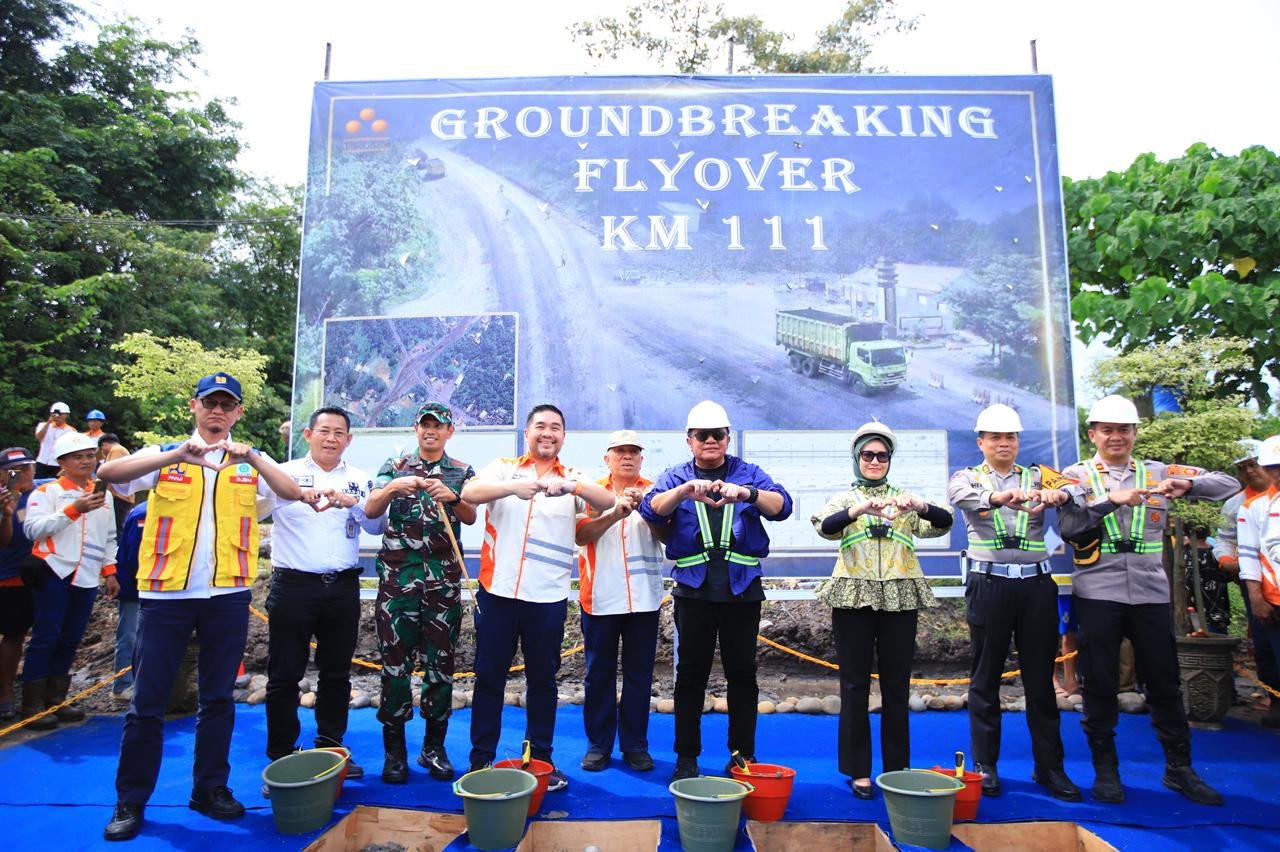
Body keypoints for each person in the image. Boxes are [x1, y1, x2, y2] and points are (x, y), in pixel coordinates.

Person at [95, 371, 302, 842]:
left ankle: (209, 787)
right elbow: (108, 475)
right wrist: (178, 454)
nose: (218, 411)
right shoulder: (166, 455)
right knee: (148, 702)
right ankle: (131, 798)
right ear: (194, 406)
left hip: (227, 595)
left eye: (228, 405)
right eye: (210, 402)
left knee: (217, 698)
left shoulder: (248, 463)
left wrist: (252, 455)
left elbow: (289, 492)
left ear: (238, 413)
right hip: (166, 596)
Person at [1058, 394, 1239, 807]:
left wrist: (1188, 485)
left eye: (1124, 429)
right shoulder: (1076, 475)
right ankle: (1106, 771)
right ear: (1093, 435)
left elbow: (1228, 484)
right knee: (1099, 681)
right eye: (1107, 430)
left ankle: (1180, 768)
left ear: (1135, 433)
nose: (1116, 437)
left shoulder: (1157, 471)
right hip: (1098, 588)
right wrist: (1109, 500)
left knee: (1163, 679)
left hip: (1151, 590)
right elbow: (1070, 526)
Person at [460, 404, 615, 791]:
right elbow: (470, 492)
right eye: (541, 426)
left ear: (564, 436)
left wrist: (572, 488)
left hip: (547, 597)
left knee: (543, 680)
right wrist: (513, 487)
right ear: (527, 432)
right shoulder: (503, 467)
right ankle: (481, 760)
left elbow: (607, 501)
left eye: (556, 428)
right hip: (497, 593)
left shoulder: (573, 477)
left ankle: (540, 759)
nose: (548, 433)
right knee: (489, 677)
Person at [639, 401, 792, 784]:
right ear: (689, 441)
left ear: (727, 438)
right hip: (694, 592)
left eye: (717, 435)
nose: (710, 441)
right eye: (702, 435)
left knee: (743, 675)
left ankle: (743, 755)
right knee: (690, 676)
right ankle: (686, 758)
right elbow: (651, 509)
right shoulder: (676, 476)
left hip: (742, 590)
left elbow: (782, 506)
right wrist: (685, 492)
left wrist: (749, 494)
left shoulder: (748, 473)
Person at [811, 420, 951, 799]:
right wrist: (859, 509)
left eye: (882, 455)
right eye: (868, 455)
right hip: (853, 596)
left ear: (890, 459)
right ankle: (858, 770)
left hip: (899, 596)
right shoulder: (844, 499)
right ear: (857, 458)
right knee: (854, 684)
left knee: (896, 685)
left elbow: (943, 524)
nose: (875, 461)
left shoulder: (904, 499)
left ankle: (896, 767)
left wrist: (921, 505)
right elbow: (826, 527)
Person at [946, 404, 1079, 801]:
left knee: (1040, 679)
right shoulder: (967, 477)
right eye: (996, 437)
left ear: (1018, 441)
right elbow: (959, 496)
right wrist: (998, 496)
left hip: (1037, 586)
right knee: (985, 677)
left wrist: (1063, 492)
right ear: (981, 442)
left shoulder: (1039, 474)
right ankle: (985, 765)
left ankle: (1050, 767)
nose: (1004, 443)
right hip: (990, 584)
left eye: (1011, 437)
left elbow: (1080, 488)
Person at [264, 407, 384, 786]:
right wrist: (300, 494)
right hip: (294, 586)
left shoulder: (360, 480)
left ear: (349, 439)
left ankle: (331, 748)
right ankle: (281, 757)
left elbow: (377, 526)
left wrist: (355, 504)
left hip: (343, 587)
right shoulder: (283, 474)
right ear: (308, 434)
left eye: (339, 433)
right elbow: (256, 509)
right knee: (284, 675)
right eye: (324, 431)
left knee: (336, 673)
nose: (331, 438)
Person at [363, 402, 476, 784]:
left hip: (442, 586)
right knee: (395, 668)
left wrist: (453, 497)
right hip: (397, 586)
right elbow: (370, 509)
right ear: (416, 429)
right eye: (425, 425)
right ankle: (394, 753)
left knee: (440, 668)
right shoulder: (393, 467)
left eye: (438, 426)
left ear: (449, 431)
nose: (431, 431)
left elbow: (471, 516)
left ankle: (434, 747)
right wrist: (393, 487)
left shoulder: (461, 472)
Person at [575, 430, 665, 773]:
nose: (627, 457)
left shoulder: (656, 491)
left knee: (639, 675)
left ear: (641, 458)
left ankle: (635, 745)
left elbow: (671, 540)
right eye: (619, 451)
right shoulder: (590, 491)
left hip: (644, 599)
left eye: (633, 451)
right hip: (600, 597)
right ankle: (598, 744)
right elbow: (580, 535)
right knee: (598, 674)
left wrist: (650, 512)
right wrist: (614, 513)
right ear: (607, 458)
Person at [20, 432, 120, 730]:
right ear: (62, 462)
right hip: (54, 570)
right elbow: (34, 529)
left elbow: (109, 537)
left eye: (90, 456)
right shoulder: (47, 492)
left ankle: (57, 699)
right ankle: (33, 705)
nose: (86, 461)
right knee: (46, 635)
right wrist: (74, 510)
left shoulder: (105, 495)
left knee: (71, 636)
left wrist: (110, 571)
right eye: (78, 457)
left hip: (87, 575)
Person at [1214, 439, 1279, 725]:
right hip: (1259, 587)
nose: (1250, 472)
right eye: (1244, 468)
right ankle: (1275, 698)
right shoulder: (1240, 505)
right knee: (1265, 647)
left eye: (1254, 465)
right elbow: (1229, 542)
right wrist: (1228, 561)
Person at [1240, 436, 1280, 727]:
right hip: (1273, 600)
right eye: (1274, 467)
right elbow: (1248, 554)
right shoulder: (1253, 508)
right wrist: (1255, 596)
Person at [0, 448, 38, 720]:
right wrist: (6, 512)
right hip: (6, 573)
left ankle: (7, 692)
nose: (22, 474)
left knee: (15, 634)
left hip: (27, 576)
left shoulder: (42, 494)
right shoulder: (6, 499)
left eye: (27, 467)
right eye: (15, 470)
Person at [111, 501, 147, 702]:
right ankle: (123, 683)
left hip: (153, 584)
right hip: (134, 585)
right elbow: (136, 554)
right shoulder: (144, 512)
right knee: (129, 635)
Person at [97, 433, 135, 534]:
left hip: (119, 497)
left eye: (101, 449)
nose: (102, 452)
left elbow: (110, 474)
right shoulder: (121, 450)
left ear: (103, 445)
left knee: (116, 528)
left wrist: (102, 494)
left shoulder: (116, 450)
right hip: (122, 496)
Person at [34, 402, 76, 479]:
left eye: (61, 413)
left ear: (67, 415)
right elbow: (39, 437)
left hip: (58, 464)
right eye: (56, 413)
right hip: (42, 461)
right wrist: (49, 422)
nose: (58, 416)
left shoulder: (71, 431)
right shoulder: (43, 425)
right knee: (38, 484)